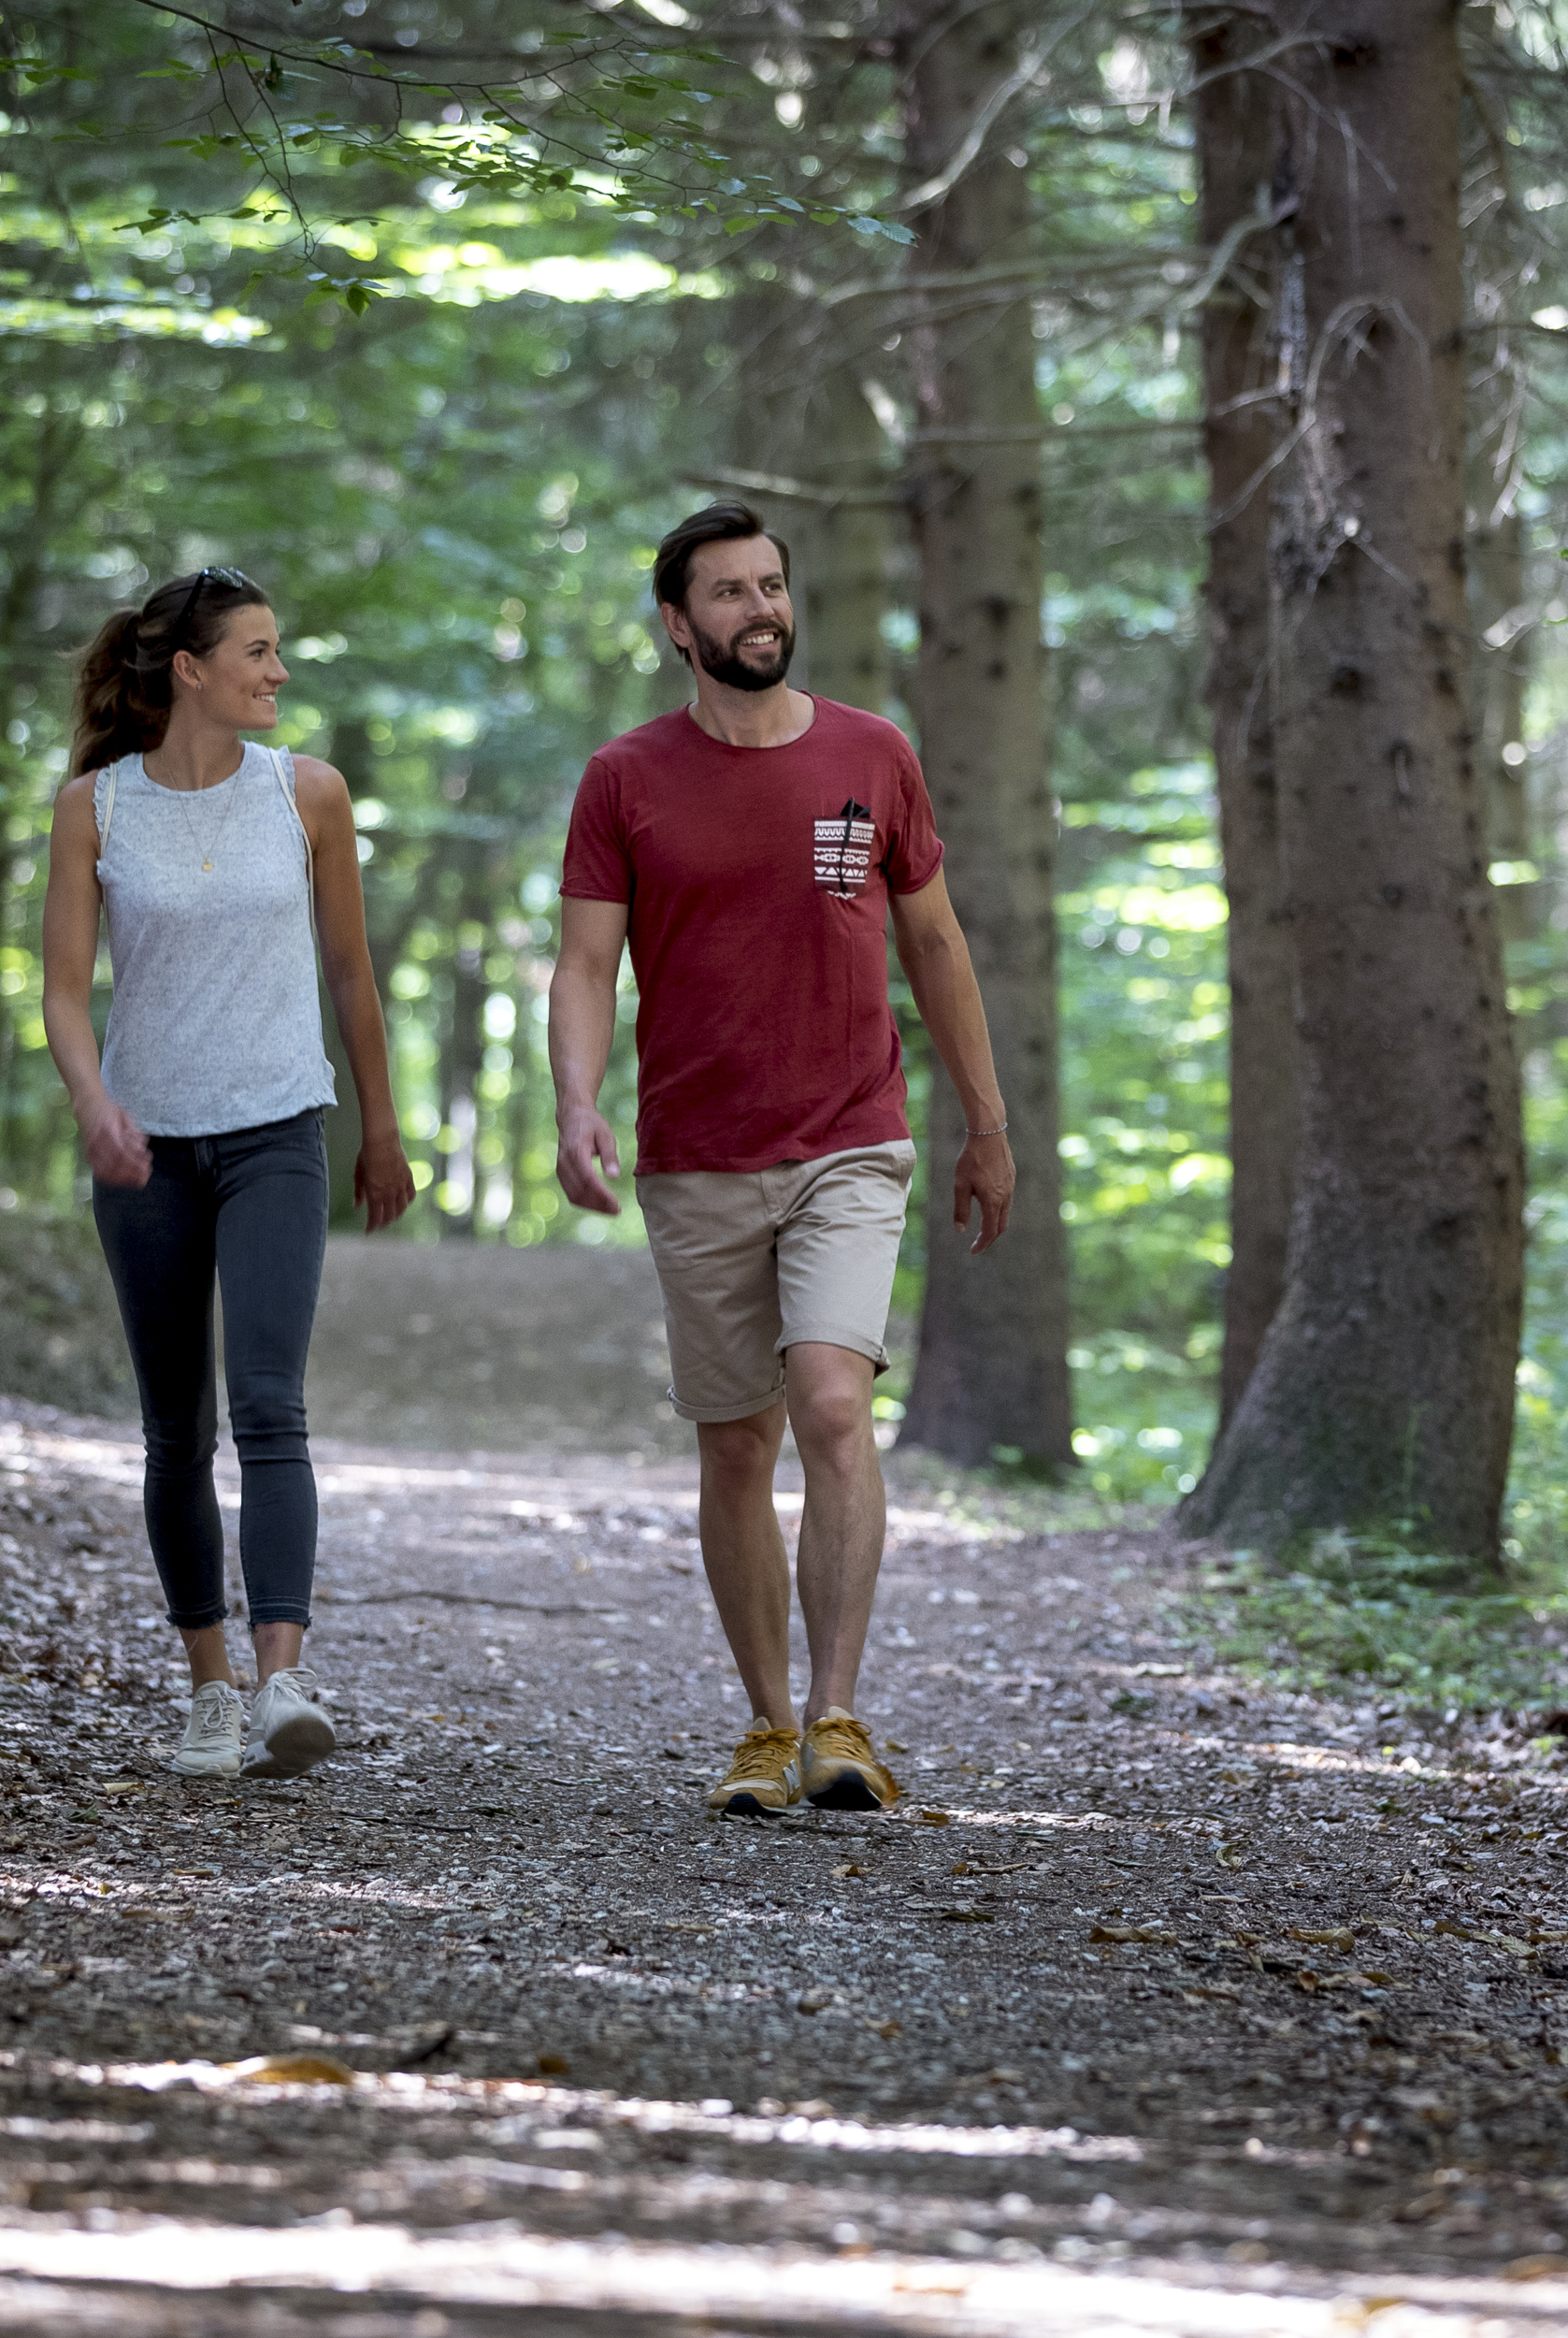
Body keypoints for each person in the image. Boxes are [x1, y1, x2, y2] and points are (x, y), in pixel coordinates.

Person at [550, 502, 1015, 1818]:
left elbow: (935, 948)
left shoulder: (872, 755)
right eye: (730, 593)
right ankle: (763, 1724)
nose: (760, 610)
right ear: (675, 625)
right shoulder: (624, 778)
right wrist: (575, 1102)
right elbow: (586, 964)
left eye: (771, 587)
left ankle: (840, 1720)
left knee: (827, 1399)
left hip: (849, 1138)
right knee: (737, 1445)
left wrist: (985, 1123)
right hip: (694, 1151)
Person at [41, 566, 416, 1782]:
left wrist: (381, 1127)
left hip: (275, 1134)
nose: (278, 671)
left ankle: (279, 1683)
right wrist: (94, 1105)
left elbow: (353, 975)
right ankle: (207, 1689)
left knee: (269, 1404)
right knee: (173, 1426)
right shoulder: (92, 808)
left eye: (278, 648)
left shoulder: (307, 795)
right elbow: (59, 987)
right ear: (188, 668)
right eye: (256, 651)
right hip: (144, 1147)